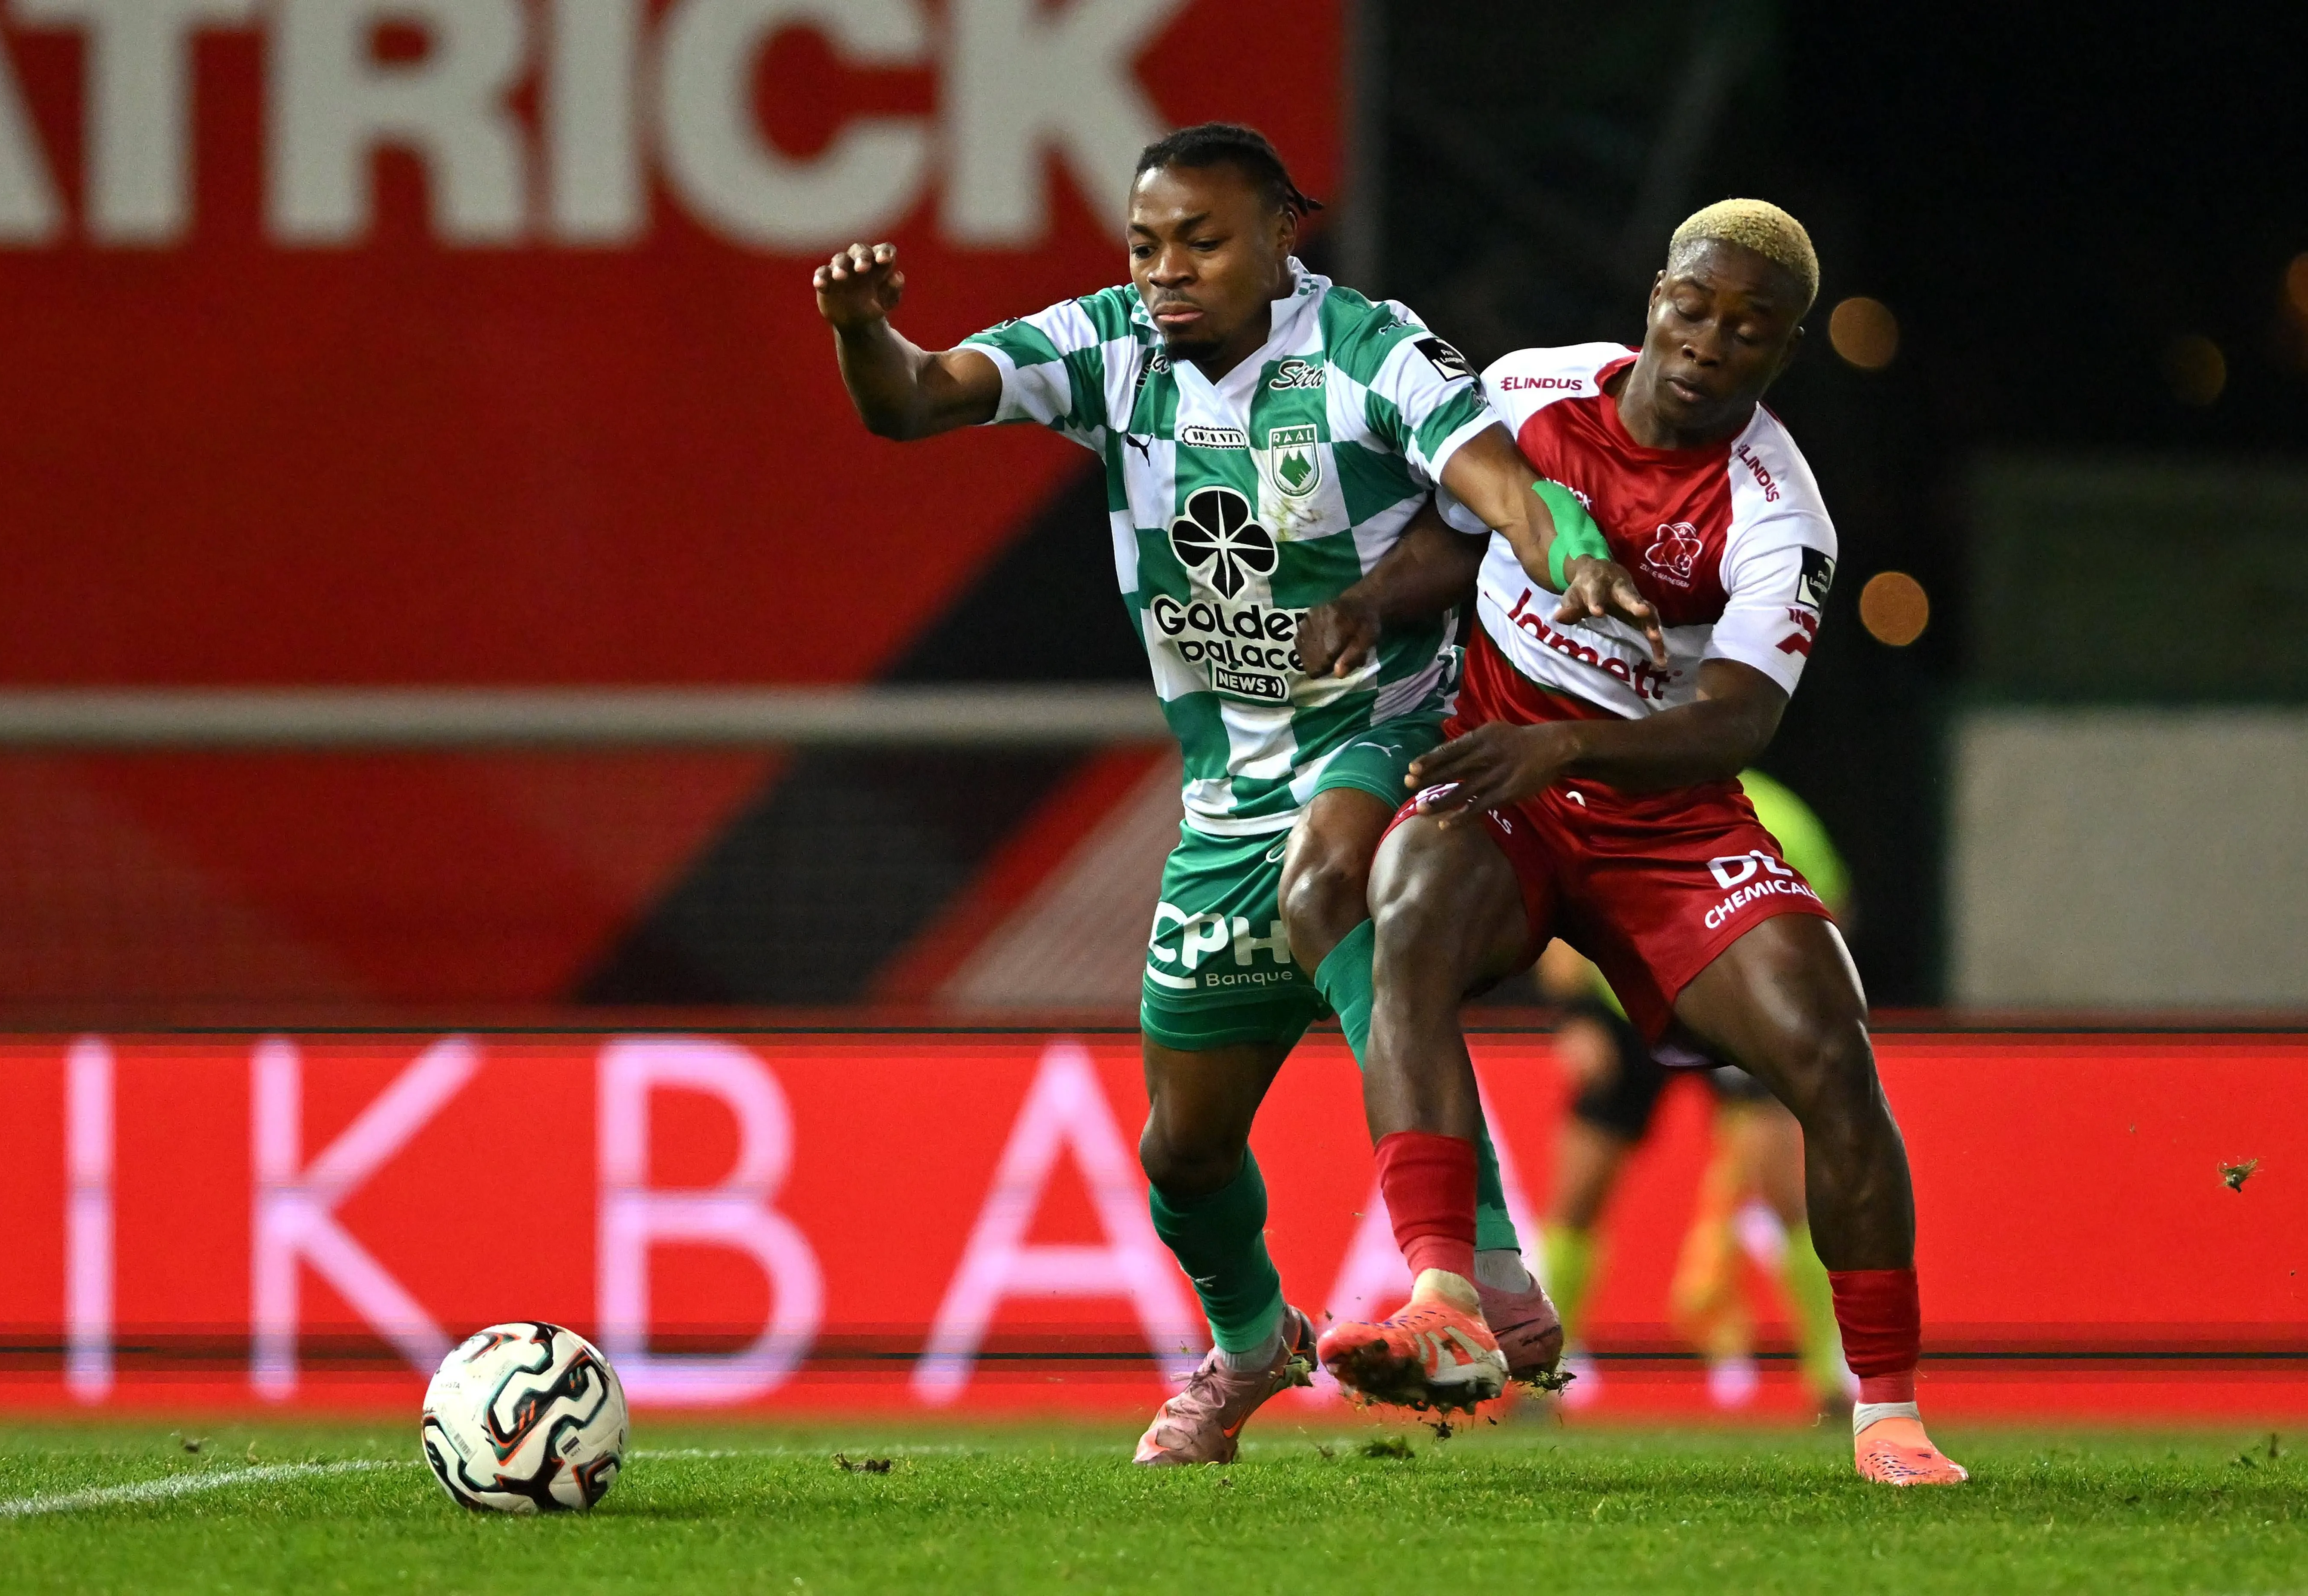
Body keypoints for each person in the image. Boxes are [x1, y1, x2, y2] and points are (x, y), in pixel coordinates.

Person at [812, 123, 1661, 1465]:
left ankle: (1469, 1282)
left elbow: (1503, 484)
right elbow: (915, 399)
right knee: (1183, 1156)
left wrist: (1571, 554)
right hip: (1225, 787)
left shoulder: (1372, 352)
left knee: (1339, 887)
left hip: (1391, 730)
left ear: (1283, 234)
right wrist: (865, 333)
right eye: (1146, 243)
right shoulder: (1108, 347)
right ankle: (1253, 1343)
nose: (1167, 270)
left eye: (1203, 241)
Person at [1316, 198, 1967, 1486]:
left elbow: (1736, 720)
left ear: (1783, 353)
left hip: (1663, 819)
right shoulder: (1530, 391)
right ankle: (1450, 1295)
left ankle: (1884, 1408)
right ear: (1657, 291)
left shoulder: (1781, 511)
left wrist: (1564, 745)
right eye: (1696, 305)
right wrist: (1365, 603)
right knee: (1403, 913)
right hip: (1502, 787)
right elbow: (1457, 536)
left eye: (1750, 329)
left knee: (1832, 1056)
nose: (1711, 341)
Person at [1537, 768, 1853, 1418]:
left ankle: (1833, 1378)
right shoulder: (1611, 795)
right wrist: (1573, 1016)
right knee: (1577, 1191)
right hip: (1621, 1012)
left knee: (1787, 1187)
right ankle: (1543, 1372)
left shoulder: (1777, 812)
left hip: (1732, 1009)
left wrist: (1791, 1002)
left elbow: (1830, 913)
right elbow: (1558, 911)